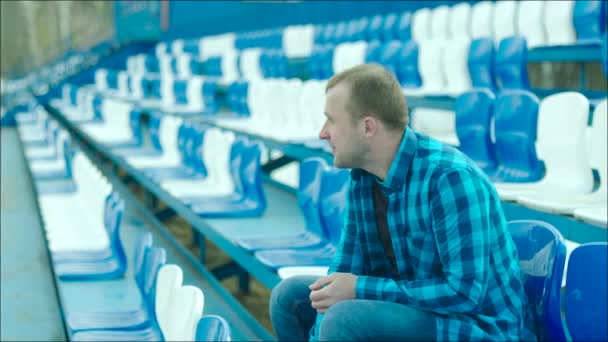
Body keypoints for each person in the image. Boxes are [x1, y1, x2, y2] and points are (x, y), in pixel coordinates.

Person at [269, 64, 533, 341]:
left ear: (367, 127)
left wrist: (360, 289)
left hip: (476, 325)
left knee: (343, 319)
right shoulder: (362, 177)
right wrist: (332, 308)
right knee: (289, 297)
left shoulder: (450, 178)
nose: (323, 133)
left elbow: (464, 294)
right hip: (415, 310)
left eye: (331, 121)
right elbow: (342, 272)